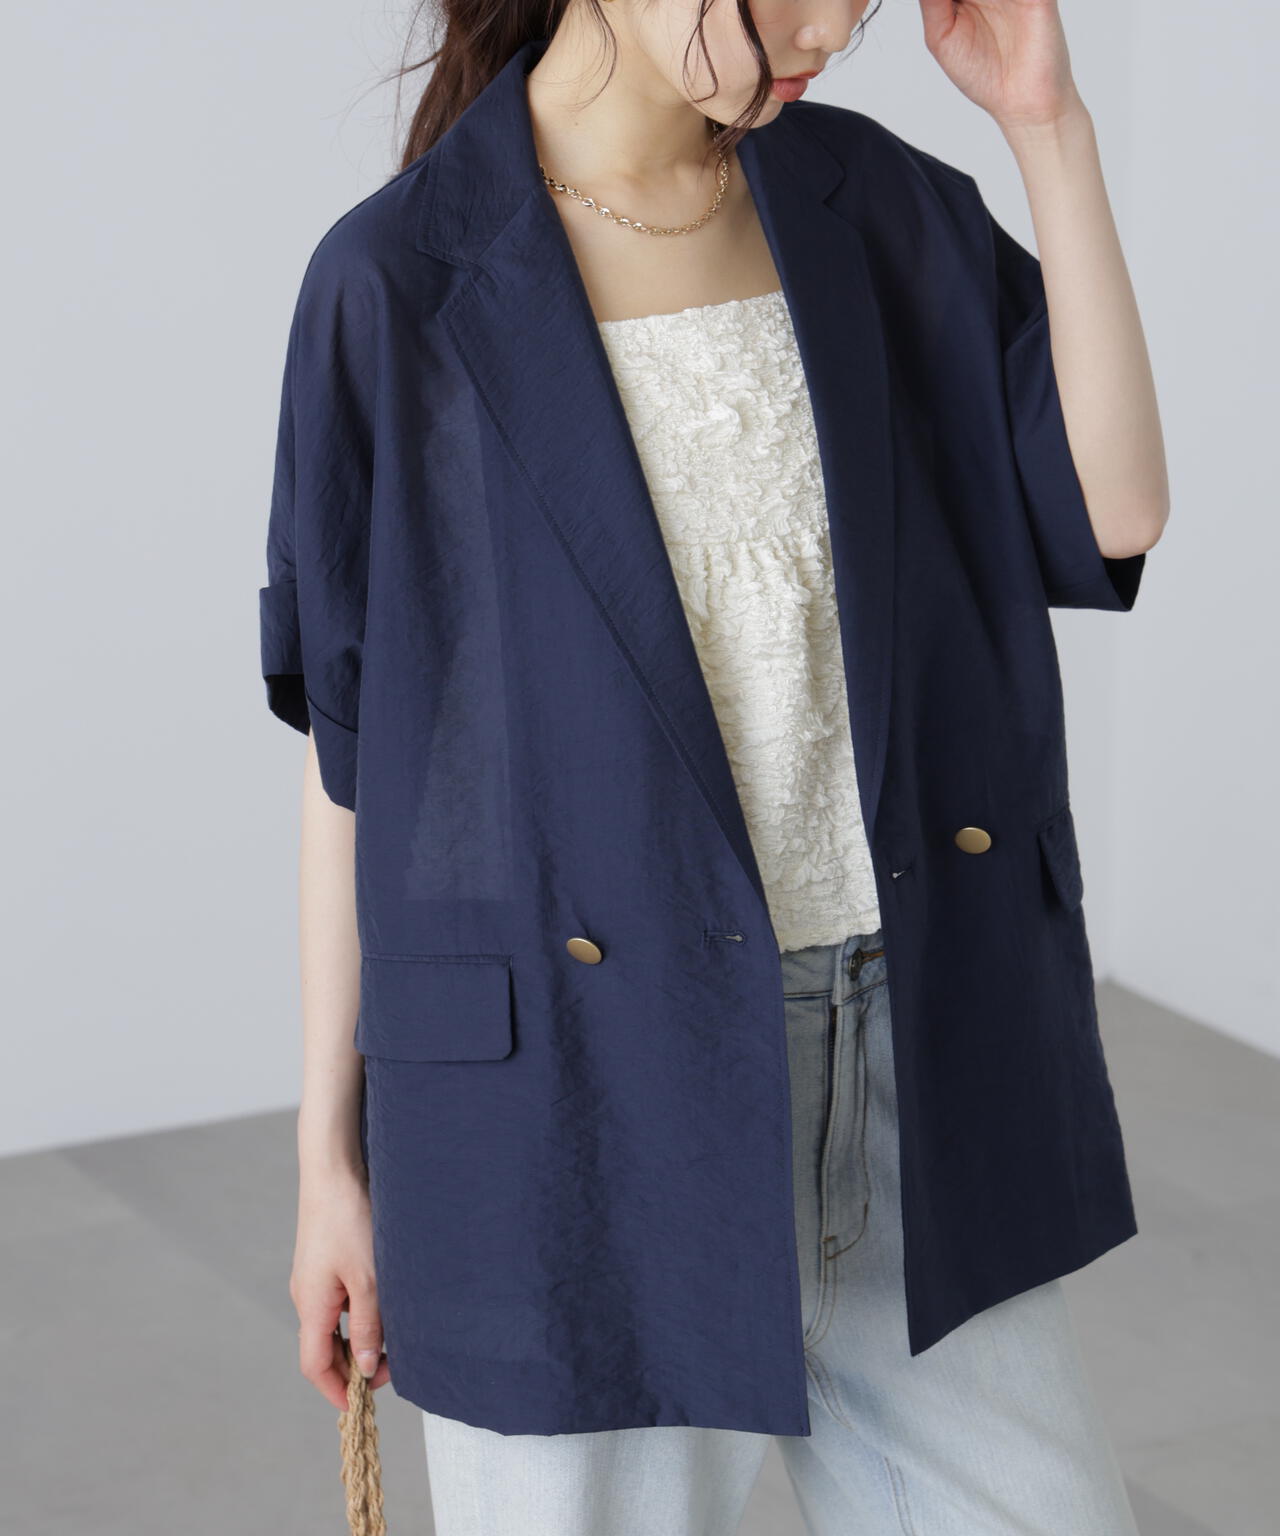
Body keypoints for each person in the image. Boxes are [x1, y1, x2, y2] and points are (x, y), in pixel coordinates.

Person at [263, 2, 1168, 1532]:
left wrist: (1049, 129)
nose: (834, 25)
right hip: (577, 1117)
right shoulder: (399, 279)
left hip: (910, 1068)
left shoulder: (875, 206)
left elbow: (1114, 508)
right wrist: (326, 1166)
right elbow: (357, 769)